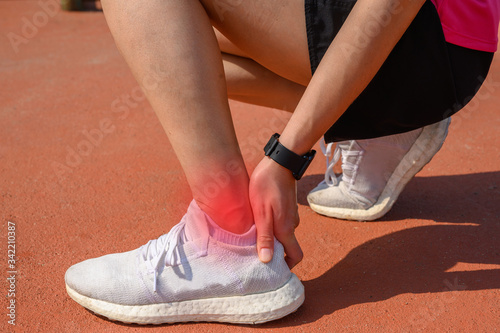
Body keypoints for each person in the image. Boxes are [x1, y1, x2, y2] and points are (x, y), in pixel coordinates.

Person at [64, 0, 499, 325]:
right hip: (439, 41)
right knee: (175, 42)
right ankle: (380, 125)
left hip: (429, 42)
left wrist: (287, 157)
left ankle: (226, 238)